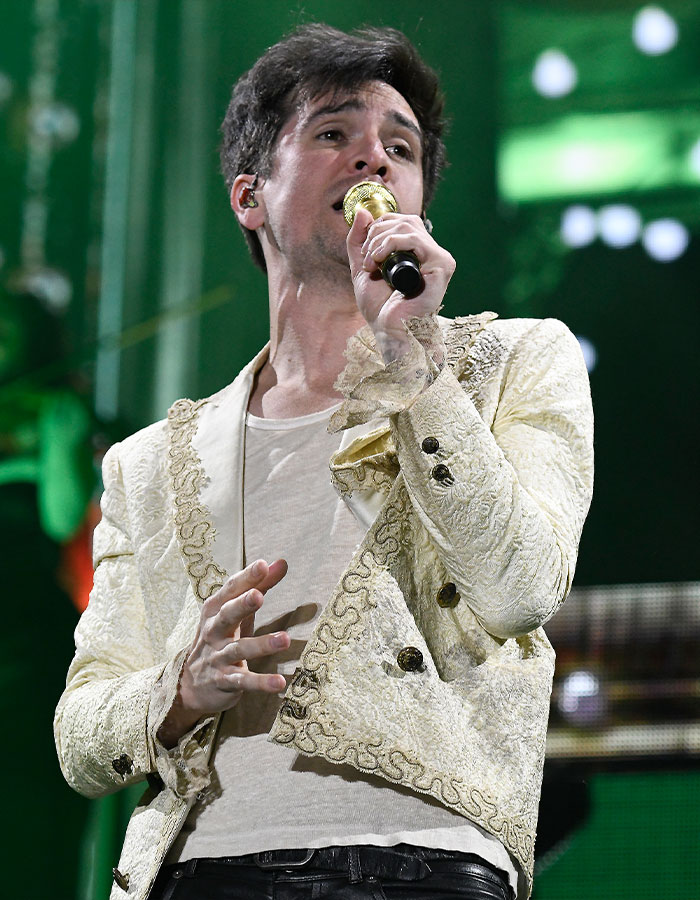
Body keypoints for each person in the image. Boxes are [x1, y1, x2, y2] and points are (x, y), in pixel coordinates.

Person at [54, 23, 593, 900]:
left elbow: (519, 587)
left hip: (422, 859)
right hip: (194, 871)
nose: (372, 161)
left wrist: (411, 357)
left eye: (400, 146)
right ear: (249, 196)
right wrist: (176, 690)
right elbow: (81, 737)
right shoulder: (150, 464)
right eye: (334, 133)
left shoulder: (514, 364)